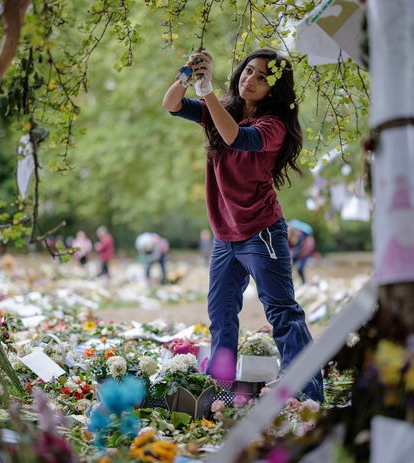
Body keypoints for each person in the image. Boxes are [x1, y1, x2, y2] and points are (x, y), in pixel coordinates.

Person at [162, 48, 323, 401]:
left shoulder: (273, 126)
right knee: (220, 314)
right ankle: (219, 392)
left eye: (262, 78)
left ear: (274, 89)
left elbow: (237, 137)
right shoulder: (223, 111)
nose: (250, 80)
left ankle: (309, 393)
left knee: (282, 312)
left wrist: (206, 94)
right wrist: (188, 73)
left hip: (261, 231)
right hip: (224, 235)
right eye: (248, 71)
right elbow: (171, 103)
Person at [288, 220, 316, 285]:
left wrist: (292, 255)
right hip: (301, 252)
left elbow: (298, 249)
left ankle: (304, 283)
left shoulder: (300, 236)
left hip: (305, 252)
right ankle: (299, 282)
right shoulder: (291, 237)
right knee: (291, 267)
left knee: (299, 268)